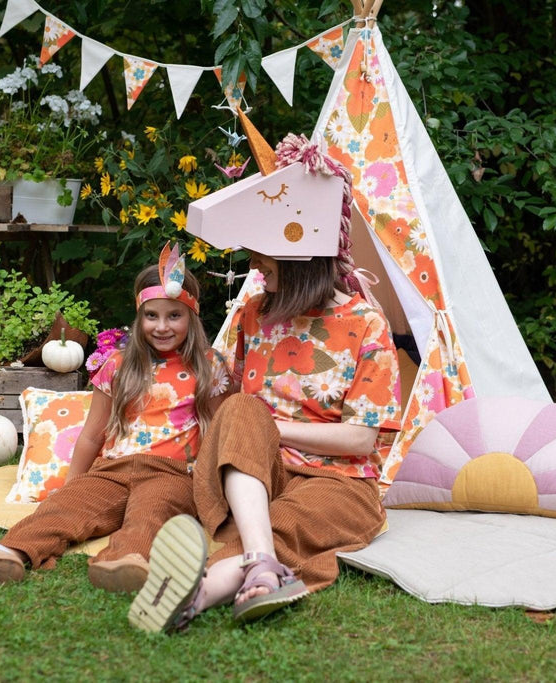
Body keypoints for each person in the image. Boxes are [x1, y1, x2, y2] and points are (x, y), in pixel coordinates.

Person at [128, 127, 402, 632]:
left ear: (301, 261)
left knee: (288, 525)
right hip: (254, 477)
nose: (254, 266)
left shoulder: (366, 324)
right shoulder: (254, 314)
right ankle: (260, 568)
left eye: (265, 259)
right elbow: (229, 406)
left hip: (339, 483)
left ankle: (205, 589)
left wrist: (277, 429)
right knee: (241, 409)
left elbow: (362, 439)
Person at [0, 244, 232, 591]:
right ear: (138, 316)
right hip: (113, 470)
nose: (161, 326)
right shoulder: (118, 364)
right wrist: (72, 487)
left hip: (172, 474)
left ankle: (125, 563)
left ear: (192, 316)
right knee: (64, 510)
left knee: (151, 512)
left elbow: (219, 433)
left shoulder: (208, 365)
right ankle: (5, 553)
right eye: (151, 315)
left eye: (174, 315)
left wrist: (214, 494)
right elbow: (92, 435)